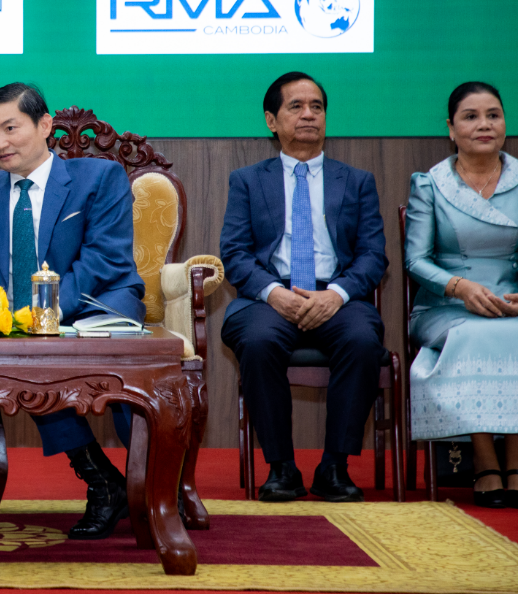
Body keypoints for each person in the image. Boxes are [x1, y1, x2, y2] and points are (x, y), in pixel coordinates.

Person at [0, 82, 145, 539]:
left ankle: (153, 481)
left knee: (119, 361)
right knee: (30, 359)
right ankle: (102, 480)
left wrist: (38, 315)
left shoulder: (99, 178)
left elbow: (105, 260)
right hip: (15, 325)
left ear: (45, 125)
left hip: (93, 305)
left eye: (10, 128)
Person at [220, 72, 387, 503]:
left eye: (317, 107)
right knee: (257, 341)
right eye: (296, 106)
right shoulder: (247, 180)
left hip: (337, 295)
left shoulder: (356, 180)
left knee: (362, 340)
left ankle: (334, 467)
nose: (309, 114)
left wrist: (336, 295)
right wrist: (275, 294)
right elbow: (234, 254)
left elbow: (373, 256)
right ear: (271, 120)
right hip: (269, 295)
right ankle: (282, 468)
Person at [404, 82, 518, 509]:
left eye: (493, 115)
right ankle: (485, 461)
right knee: (474, 334)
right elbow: (415, 259)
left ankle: (515, 461)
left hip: (509, 301)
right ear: (451, 129)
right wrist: (461, 287)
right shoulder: (430, 184)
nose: (484, 125)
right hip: (445, 303)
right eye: (471, 117)